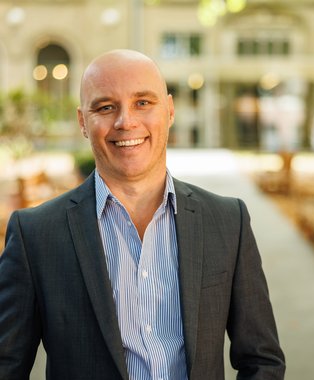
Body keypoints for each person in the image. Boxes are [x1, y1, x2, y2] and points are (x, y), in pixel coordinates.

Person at [0, 49, 285, 380]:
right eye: (106, 107)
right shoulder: (36, 235)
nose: (126, 122)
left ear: (170, 110)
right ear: (82, 121)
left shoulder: (227, 221)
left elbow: (262, 360)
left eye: (143, 103)